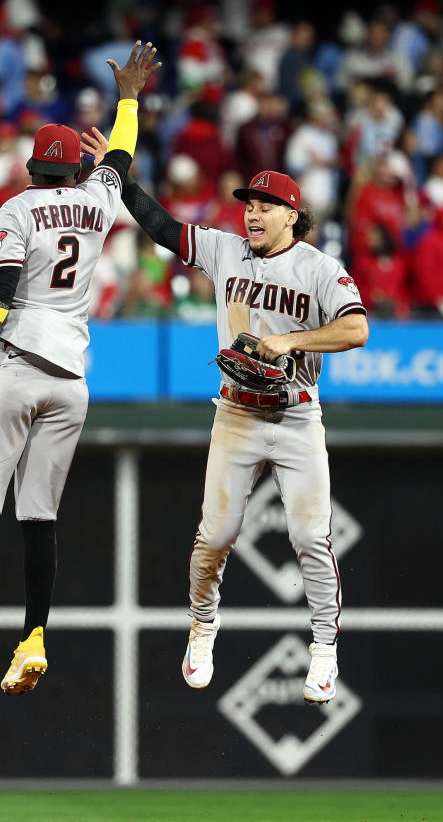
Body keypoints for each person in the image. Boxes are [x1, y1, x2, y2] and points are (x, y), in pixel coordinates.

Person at [83, 132, 368, 704]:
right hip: (236, 412)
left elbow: (357, 328)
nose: (252, 213)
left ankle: (323, 650)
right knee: (214, 536)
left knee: (312, 536)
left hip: (295, 415)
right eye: (249, 204)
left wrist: (289, 341)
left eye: (265, 206)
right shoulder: (224, 249)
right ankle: (202, 627)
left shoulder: (317, 268)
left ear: (293, 216)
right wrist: (119, 173)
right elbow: (161, 227)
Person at [0, 41, 160, 693]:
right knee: (39, 518)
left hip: (16, 365)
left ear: (31, 168)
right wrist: (130, 100)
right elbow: (120, 157)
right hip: (72, 384)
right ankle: (33, 640)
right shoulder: (100, 201)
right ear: (75, 167)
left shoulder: (16, 211)